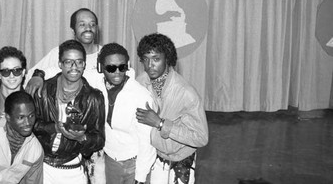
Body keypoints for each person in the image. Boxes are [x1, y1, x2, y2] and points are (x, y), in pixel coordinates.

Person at [135, 33, 208, 184]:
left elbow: (201, 138)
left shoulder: (186, 93)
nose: (150, 65)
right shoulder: (140, 82)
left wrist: (161, 124)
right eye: (146, 59)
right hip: (154, 156)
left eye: (156, 59)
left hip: (182, 159)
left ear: (167, 58)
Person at [33, 39, 105, 184]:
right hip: (42, 165)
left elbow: (99, 139)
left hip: (72, 168)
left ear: (84, 64)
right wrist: (53, 128)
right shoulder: (43, 90)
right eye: (68, 62)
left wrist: (81, 137)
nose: (74, 67)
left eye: (79, 62)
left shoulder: (94, 97)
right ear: (60, 64)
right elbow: (30, 124)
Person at [93, 43, 156, 184]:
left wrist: (140, 177)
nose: (117, 72)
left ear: (127, 65)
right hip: (111, 161)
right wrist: (38, 75)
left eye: (122, 67)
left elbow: (147, 141)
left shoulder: (140, 95)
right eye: (110, 68)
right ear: (101, 67)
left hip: (135, 163)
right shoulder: (97, 87)